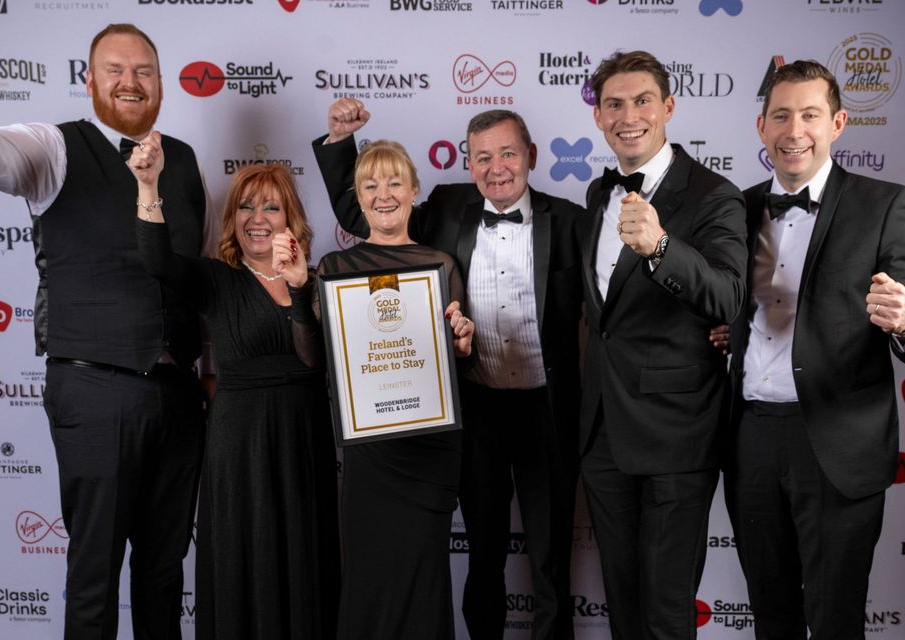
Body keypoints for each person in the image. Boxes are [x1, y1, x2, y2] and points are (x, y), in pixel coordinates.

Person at [0, 10, 213, 639]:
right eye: (115, 70)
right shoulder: (54, 145)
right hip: (95, 392)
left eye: (143, 71)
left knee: (164, 575)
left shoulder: (188, 161)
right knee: (93, 577)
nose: (130, 81)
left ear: (162, 84)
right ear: (88, 81)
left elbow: (197, 280)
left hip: (178, 398)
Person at [314, 101, 584, 640]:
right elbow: (371, 216)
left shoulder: (572, 219)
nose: (497, 167)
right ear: (468, 164)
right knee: (482, 555)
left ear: (530, 156)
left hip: (546, 411)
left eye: (508, 153)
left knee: (551, 558)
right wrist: (341, 141)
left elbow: (606, 298)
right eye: (482, 157)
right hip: (475, 409)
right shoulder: (444, 205)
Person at [709, 59, 905, 640]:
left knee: (836, 619)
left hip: (840, 443)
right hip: (750, 438)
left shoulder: (885, 204)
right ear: (761, 126)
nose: (796, 129)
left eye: (811, 115)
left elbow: (901, 309)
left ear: (838, 122)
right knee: (771, 617)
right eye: (782, 115)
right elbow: (720, 300)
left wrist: (903, 320)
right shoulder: (735, 208)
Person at [131, 140, 340, 639]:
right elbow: (158, 262)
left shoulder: (316, 278)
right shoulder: (216, 278)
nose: (258, 216)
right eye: (246, 205)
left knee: (304, 560)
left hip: (303, 440)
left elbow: (315, 358)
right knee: (243, 561)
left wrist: (299, 289)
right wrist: (147, 185)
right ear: (233, 217)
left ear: (291, 215)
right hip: (239, 446)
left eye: (272, 205)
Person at [578, 50, 747, 640]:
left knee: (667, 611)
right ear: (598, 117)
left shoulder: (714, 194)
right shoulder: (598, 195)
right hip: (602, 433)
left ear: (668, 107)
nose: (629, 116)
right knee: (622, 604)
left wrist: (659, 247)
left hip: (677, 432)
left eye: (642, 100)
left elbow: (728, 296)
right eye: (614, 104)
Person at [313, 139, 473, 640]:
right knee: (368, 576)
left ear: (414, 190)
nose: (383, 194)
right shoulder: (333, 271)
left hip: (428, 453)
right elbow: (316, 356)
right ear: (357, 199)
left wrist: (462, 344)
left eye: (394, 182)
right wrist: (300, 295)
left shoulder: (440, 266)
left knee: (424, 579)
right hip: (370, 451)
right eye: (370, 184)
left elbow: (450, 363)